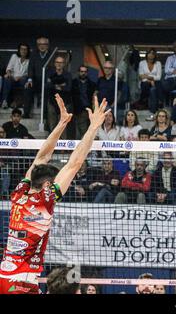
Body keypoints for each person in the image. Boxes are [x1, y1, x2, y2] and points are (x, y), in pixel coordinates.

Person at [0, 94, 109, 294]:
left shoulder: (19, 193)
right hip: (21, 284)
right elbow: (74, 164)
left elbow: (41, 157)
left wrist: (61, 123)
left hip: (6, 276)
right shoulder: (45, 201)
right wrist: (93, 127)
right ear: (49, 184)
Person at [45, 55, 73, 138]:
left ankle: (63, 149)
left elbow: (68, 88)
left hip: (64, 103)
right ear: (54, 63)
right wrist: (61, 85)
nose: (59, 64)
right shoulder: (50, 73)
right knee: (52, 125)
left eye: (61, 62)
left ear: (64, 64)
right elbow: (47, 86)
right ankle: (52, 146)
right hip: (52, 102)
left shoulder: (68, 75)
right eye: (57, 62)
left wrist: (54, 83)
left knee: (63, 126)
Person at [24, 37, 51, 118]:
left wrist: (50, 78)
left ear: (47, 45)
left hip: (47, 81)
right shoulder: (34, 54)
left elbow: (53, 68)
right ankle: (26, 113)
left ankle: (45, 116)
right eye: (40, 44)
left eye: (44, 44)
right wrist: (30, 79)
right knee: (28, 87)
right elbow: (30, 68)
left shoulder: (52, 54)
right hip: (36, 80)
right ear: (37, 46)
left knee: (48, 90)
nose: (42, 46)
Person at [1, 43, 30, 109]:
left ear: (27, 51)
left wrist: (19, 77)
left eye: (25, 49)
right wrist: (9, 74)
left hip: (22, 79)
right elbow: (9, 68)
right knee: (6, 78)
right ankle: (4, 101)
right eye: (22, 49)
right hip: (12, 77)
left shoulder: (29, 60)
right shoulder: (14, 56)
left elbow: (28, 73)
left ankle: (21, 102)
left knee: (25, 80)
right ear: (19, 50)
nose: (23, 51)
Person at [72, 65, 96, 140]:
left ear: (87, 73)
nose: (83, 73)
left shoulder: (92, 84)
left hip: (87, 109)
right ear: (78, 72)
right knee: (75, 131)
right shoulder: (74, 83)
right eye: (82, 71)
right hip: (75, 110)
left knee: (84, 131)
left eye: (85, 72)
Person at [138, 48, 162, 118]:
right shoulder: (142, 63)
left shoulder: (158, 63)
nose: (151, 55)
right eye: (149, 53)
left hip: (156, 83)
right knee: (149, 87)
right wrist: (151, 79)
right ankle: (155, 108)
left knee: (153, 90)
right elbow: (141, 76)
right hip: (145, 83)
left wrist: (147, 76)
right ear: (147, 54)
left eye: (153, 53)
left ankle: (150, 107)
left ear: (155, 55)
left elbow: (159, 77)